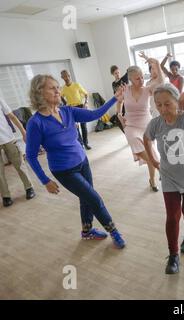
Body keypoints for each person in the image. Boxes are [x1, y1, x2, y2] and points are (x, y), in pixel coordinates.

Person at [26, 74, 126, 249]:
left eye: (58, 87)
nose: (58, 90)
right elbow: (31, 156)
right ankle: (113, 230)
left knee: (85, 198)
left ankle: (86, 231)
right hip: (64, 171)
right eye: (52, 88)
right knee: (94, 199)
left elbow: (95, 114)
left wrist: (114, 99)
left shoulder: (67, 111)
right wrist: (45, 181)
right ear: (39, 92)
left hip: (82, 161)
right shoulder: (36, 123)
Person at [143, 83, 184, 274]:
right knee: (172, 216)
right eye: (158, 104)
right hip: (169, 176)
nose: (162, 109)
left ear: (176, 101)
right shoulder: (155, 123)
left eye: (167, 104)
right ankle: (173, 255)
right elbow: (146, 138)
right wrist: (153, 159)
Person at [116, 62, 162, 192]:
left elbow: (160, 81)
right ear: (130, 79)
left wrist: (157, 65)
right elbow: (119, 103)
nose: (141, 80)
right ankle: (159, 167)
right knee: (135, 143)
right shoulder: (125, 90)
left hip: (146, 125)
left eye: (142, 77)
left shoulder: (147, 89)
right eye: (137, 78)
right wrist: (119, 114)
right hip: (130, 125)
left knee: (150, 152)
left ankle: (152, 180)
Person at [0, 98, 35, 207]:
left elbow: (12, 116)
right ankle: (6, 196)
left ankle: (29, 187)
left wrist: (24, 132)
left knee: (20, 164)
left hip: (8, 138)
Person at [60, 70, 91, 150]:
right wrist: (65, 103)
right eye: (64, 76)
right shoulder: (63, 88)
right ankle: (80, 145)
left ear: (69, 75)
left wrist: (86, 103)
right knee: (75, 127)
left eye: (67, 75)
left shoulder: (77, 85)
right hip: (71, 109)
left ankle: (85, 143)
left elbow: (86, 94)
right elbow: (61, 96)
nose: (66, 78)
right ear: (62, 77)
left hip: (80, 106)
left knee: (83, 126)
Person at [138, 52, 165, 119]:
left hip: (160, 108)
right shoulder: (147, 83)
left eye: (156, 68)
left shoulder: (160, 79)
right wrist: (145, 57)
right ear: (150, 71)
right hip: (152, 107)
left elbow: (156, 64)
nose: (155, 70)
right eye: (152, 69)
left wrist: (156, 62)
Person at [110, 65, 126, 133]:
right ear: (113, 74)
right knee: (118, 119)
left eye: (118, 72)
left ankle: (129, 133)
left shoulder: (123, 79)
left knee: (125, 118)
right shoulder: (113, 84)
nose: (117, 74)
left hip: (126, 101)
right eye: (115, 73)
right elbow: (115, 94)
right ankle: (126, 133)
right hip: (119, 102)